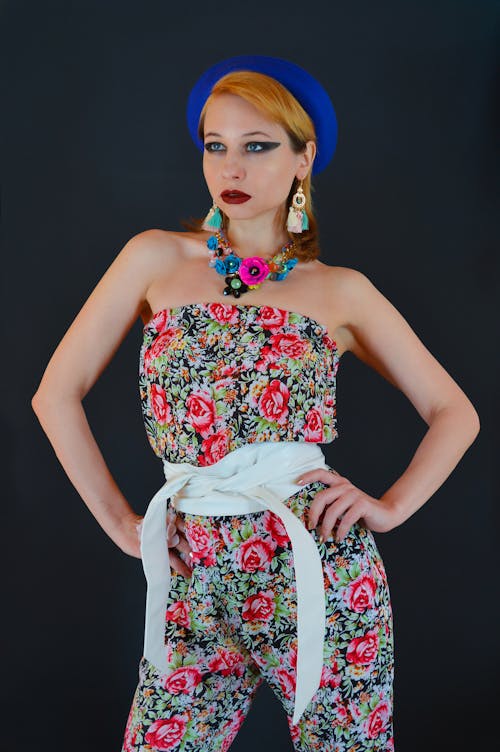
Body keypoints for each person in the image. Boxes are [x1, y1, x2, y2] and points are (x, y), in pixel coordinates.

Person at [31, 54, 480, 752]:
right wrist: (123, 523)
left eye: (258, 146)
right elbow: (54, 394)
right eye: (216, 147)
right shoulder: (154, 259)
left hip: (315, 569)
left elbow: (457, 412)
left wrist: (388, 507)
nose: (231, 169)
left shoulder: (340, 291)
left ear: (305, 157)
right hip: (190, 571)